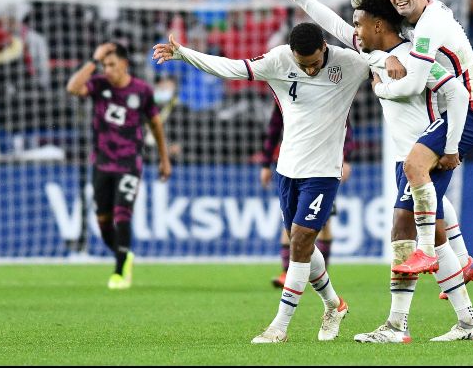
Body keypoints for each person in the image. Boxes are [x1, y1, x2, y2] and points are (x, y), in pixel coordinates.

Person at [265, 0, 473, 342]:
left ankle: (397, 325)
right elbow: (332, 24)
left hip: (422, 153)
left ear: (378, 26)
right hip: (406, 157)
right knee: (435, 234)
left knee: (403, 228)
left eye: (359, 24)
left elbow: (454, 91)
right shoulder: (371, 51)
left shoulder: (411, 58)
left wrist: (447, 146)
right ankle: (468, 317)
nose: (352, 31)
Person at [153, 22, 381, 344]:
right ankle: (334, 304)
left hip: (324, 172)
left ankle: (279, 327)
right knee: (302, 243)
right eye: (303, 64)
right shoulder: (278, 60)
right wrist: (184, 54)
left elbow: (388, 64)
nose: (310, 69)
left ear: (325, 48)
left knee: (300, 240)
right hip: (287, 169)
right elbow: (231, 68)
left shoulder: (350, 62)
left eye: (315, 62)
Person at [66, 42, 172, 290]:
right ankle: (124, 255)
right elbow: (73, 88)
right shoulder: (99, 85)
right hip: (102, 163)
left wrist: (164, 159)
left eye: (112, 64)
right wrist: (93, 60)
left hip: (129, 163)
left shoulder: (142, 91)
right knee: (103, 221)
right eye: (104, 65)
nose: (107, 70)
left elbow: (156, 125)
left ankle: (119, 272)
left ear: (125, 64)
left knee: (123, 213)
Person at [262, 104, 355, 289]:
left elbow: (345, 125)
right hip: (292, 166)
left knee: (324, 222)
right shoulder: (285, 94)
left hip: (323, 168)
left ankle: (319, 274)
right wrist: (265, 163)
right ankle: (288, 272)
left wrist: (346, 158)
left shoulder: (329, 95)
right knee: (291, 221)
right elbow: (274, 127)